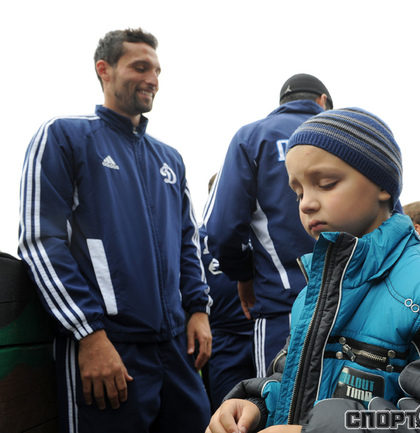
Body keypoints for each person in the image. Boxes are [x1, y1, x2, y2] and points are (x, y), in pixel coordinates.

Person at [206, 108, 420, 433]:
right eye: (298, 192)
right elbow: (296, 381)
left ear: (382, 184)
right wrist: (257, 406)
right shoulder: (311, 294)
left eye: (326, 184)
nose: (306, 203)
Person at [19, 28, 212, 433]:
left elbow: (187, 242)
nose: (153, 79)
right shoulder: (64, 136)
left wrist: (198, 309)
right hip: (109, 346)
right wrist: (88, 335)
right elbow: (40, 241)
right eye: (140, 67)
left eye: (157, 70)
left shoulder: (170, 158)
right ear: (103, 70)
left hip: (174, 346)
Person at [202, 73, 333, 377]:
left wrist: (244, 276)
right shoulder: (349, 133)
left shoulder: (252, 138)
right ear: (323, 101)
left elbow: (221, 230)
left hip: (282, 308)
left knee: (282, 402)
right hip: (360, 306)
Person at [199, 175, 255, 412]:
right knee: (227, 410)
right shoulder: (197, 239)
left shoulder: (258, 231)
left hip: (262, 329)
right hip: (223, 339)